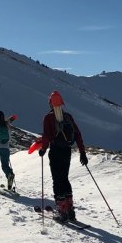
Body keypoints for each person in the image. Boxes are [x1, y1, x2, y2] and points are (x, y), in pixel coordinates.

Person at [38, 91, 87, 221]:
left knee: (57, 180)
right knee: (65, 179)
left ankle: (62, 211)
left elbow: (47, 136)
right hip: (66, 151)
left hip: (55, 151)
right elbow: (77, 134)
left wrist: (43, 149)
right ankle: (70, 210)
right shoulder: (68, 117)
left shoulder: (48, 118)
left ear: (50, 103)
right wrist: (82, 152)